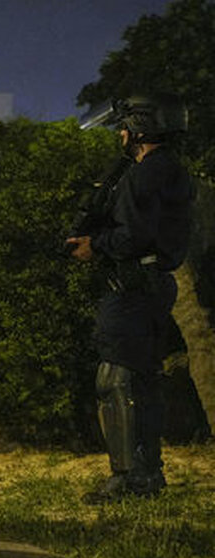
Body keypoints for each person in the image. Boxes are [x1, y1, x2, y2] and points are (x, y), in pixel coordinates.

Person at [69, 94, 193, 502]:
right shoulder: (170, 170)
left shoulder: (144, 175)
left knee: (115, 378)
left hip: (132, 286)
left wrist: (95, 246)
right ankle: (148, 474)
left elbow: (133, 235)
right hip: (153, 283)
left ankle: (128, 477)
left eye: (124, 126)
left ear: (139, 127)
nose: (120, 133)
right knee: (143, 379)